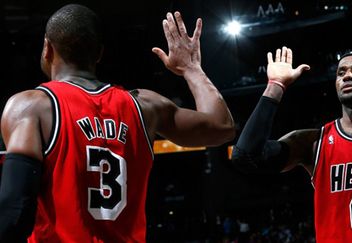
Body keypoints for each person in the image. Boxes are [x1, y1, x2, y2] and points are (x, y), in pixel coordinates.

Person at [0, 4, 235, 242]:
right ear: (99, 54)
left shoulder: (31, 106)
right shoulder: (145, 106)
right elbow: (223, 127)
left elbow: (14, 211)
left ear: (47, 48)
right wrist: (192, 69)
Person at [231, 46, 352, 242]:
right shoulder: (313, 143)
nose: (347, 76)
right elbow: (245, 156)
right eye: (341, 72)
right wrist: (275, 86)